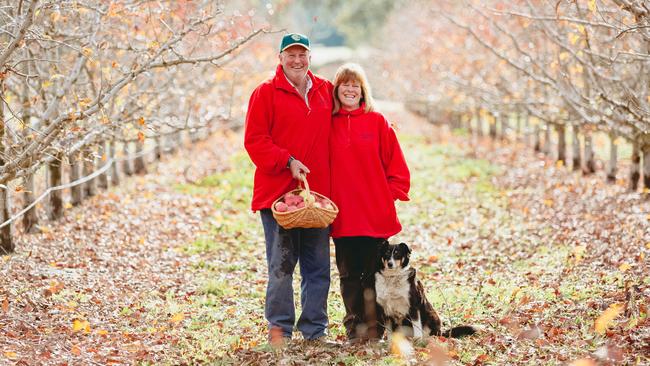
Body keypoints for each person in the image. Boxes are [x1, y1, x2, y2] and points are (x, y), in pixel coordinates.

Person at [243, 33, 334, 344]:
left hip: (317, 196)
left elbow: (347, 120)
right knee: (281, 267)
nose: (297, 60)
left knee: (318, 267)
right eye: (290, 54)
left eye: (302, 54)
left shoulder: (325, 90)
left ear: (310, 57)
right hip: (278, 196)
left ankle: (315, 331)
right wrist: (287, 160)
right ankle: (280, 330)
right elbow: (255, 141)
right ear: (280, 57)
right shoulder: (265, 93)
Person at [329, 63, 410, 343]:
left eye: (356, 85)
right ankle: (355, 328)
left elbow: (397, 166)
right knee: (349, 275)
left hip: (374, 213)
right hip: (343, 214)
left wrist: (386, 194)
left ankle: (377, 328)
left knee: (376, 274)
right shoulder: (328, 124)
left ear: (363, 90)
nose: (350, 89)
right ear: (336, 89)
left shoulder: (377, 122)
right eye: (344, 84)